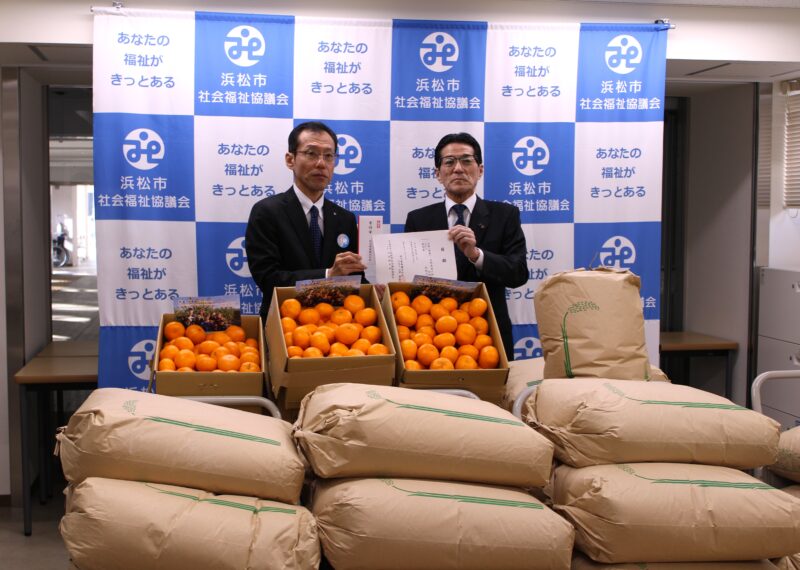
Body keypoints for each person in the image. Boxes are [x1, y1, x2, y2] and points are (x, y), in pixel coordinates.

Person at [404, 132, 527, 361]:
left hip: (488, 334)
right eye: (449, 162)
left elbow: (518, 273)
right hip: (433, 337)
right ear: (438, 173)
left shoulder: (505, 215)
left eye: (466, 161)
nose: (458, 169)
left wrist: (476, 255)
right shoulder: (418, 220)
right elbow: (408, 280)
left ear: (480, 170)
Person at [245, 121, 366, 320]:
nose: (321, 163)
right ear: (290, 159)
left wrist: (376, 287)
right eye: (311, 153)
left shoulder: (345, 218)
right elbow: (268, 278)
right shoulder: (267, 212)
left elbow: (354, 278)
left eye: (329, 156)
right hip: (284, 324)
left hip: (338, 326)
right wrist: (327, 276)